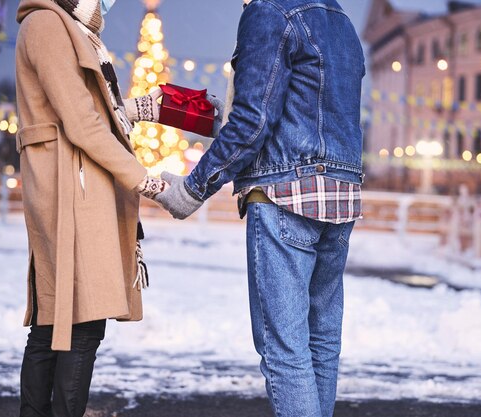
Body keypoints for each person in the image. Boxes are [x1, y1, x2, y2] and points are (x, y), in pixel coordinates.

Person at [156, 1, 365, 416]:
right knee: (320, 342)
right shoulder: (340, 20)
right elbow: (302, 113)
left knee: (285, 350)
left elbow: (253, 121)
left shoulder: (269, 11)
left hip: (284, 196)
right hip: (340, 196)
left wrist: (192, 190)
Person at [14, 0, 178, 415]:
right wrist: (147, 182)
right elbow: (81, 121)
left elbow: (94, 113)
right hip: (70, 187)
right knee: (79, 322)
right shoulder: (48, 24)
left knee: (58, 321)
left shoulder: (68, 26)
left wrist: (144, 108)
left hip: (78, 184)